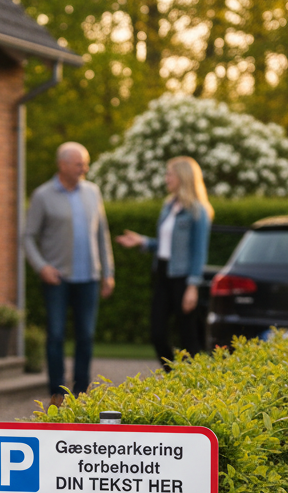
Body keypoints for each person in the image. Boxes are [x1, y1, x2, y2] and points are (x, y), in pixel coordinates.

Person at [24, 142, 115, 403]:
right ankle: (57, 392)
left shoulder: (93, 192)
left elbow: (102, 234)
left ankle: (81, 391)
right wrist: (42, 267)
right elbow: (28, 237)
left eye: (85, 163)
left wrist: (108, 272)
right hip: (58, 279)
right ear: (62, 165)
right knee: (55, 335)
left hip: (89, 278)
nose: (84, 168)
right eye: (79, 164)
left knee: (86, 335)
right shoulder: (43, 196)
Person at [115, 156, 213, 370]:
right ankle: (174, 376)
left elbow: (198, 251)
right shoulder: (169, 206)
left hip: (183, 278)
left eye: (170, 174)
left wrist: (192, 286)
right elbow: (165, 244)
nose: (166, 178)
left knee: (188, 337)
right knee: (157, 333)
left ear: (183, 177)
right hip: (162, 275)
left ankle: (197, 384)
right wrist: (143, 241)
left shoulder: (198, 211)